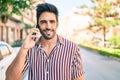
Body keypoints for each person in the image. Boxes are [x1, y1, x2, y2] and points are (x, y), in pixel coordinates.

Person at [6, 3, 84, 80]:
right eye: (43, 22)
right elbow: (10, 78)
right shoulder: (29, 48)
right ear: (38, 25)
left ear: (57, 24)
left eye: (52, 22)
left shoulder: (72, 48)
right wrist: (24, 48)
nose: (48, 27)